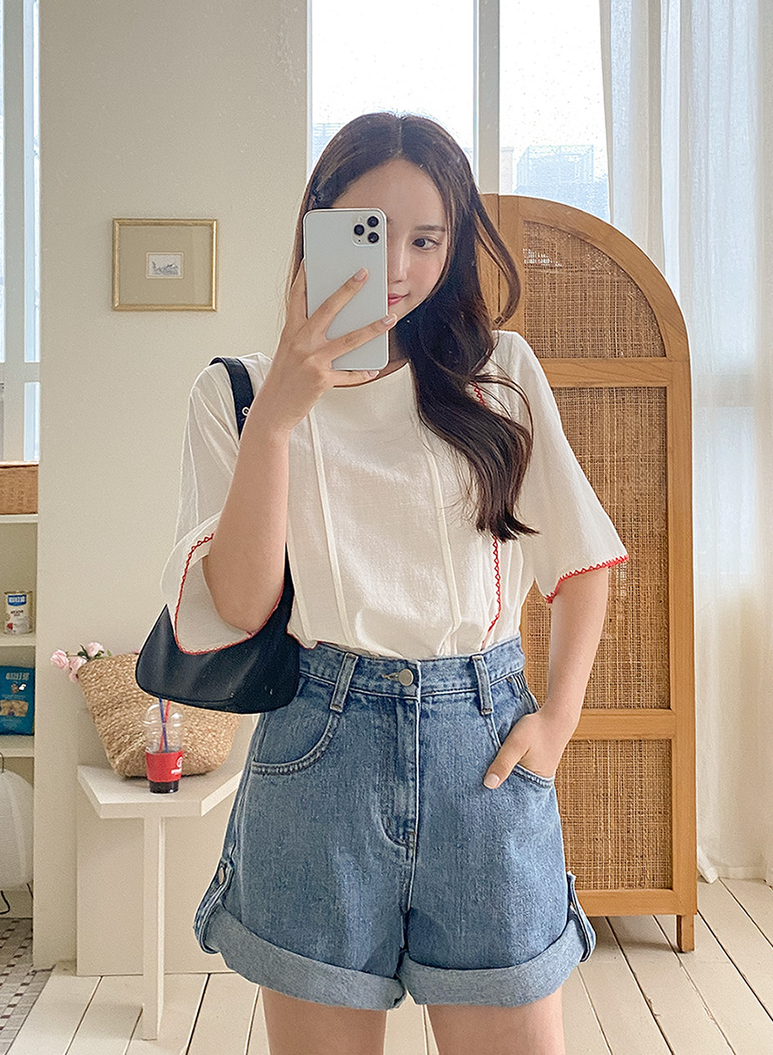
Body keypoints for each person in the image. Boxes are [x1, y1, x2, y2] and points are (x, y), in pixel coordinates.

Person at [160, 112, 628, 1055]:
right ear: (318, 228)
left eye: (427, 238)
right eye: (372, 234)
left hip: (483, 746)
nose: (401, 266)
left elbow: (581, 561)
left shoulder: (500, 375)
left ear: (454, 248)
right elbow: (240, 606)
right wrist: (279, 420)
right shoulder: (237, 394)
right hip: (317, 751)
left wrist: (559, 719)